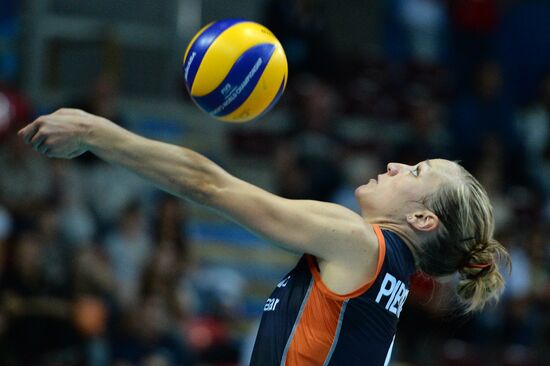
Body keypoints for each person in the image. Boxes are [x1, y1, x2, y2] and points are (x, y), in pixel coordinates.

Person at [18, 108, 510, 366]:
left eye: (416, 171)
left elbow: (209, 185)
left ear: (423, 219)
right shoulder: (385, 272)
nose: (396, 165)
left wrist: (95, 133)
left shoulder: (359, 243)